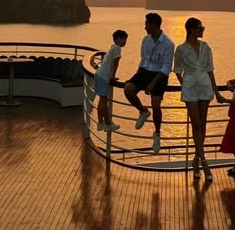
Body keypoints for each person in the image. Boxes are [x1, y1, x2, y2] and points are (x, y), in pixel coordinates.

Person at [174, 17, 219, 182]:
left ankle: (196, 160)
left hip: (205, 87)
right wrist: (185, 84)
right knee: (196, 125)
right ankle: (204, 163)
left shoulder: (206, 47)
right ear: (192, 29)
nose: (203, 30)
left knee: (203, 125)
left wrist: (217, 92)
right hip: (191, 88)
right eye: (201, 28)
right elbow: (177, 70)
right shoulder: (181, 49)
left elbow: (210, 70)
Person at [124, 13, 175, 153]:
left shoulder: (168, 44)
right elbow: (143, 60)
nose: (145, 27)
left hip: (160, 74)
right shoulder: (145, 40)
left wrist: (153, 83)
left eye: (147, 24)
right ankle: (143, 111)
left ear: (154, 25)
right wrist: (136, 76)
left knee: (156, 104)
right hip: (145, 71)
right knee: (128, 89)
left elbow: (166, 67)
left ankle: (157, 133)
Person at [94, 30, 128, 132]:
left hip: (99, 74)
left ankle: (100, 123)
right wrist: (112, 76)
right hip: (104, 76)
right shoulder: (117, 48)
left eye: (125, 39)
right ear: (116, 39)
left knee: (102, 99)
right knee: (104, 101)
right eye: (122, 39)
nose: (124, 41)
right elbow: (116, 63)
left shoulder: (112, 47)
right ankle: (108, 123)